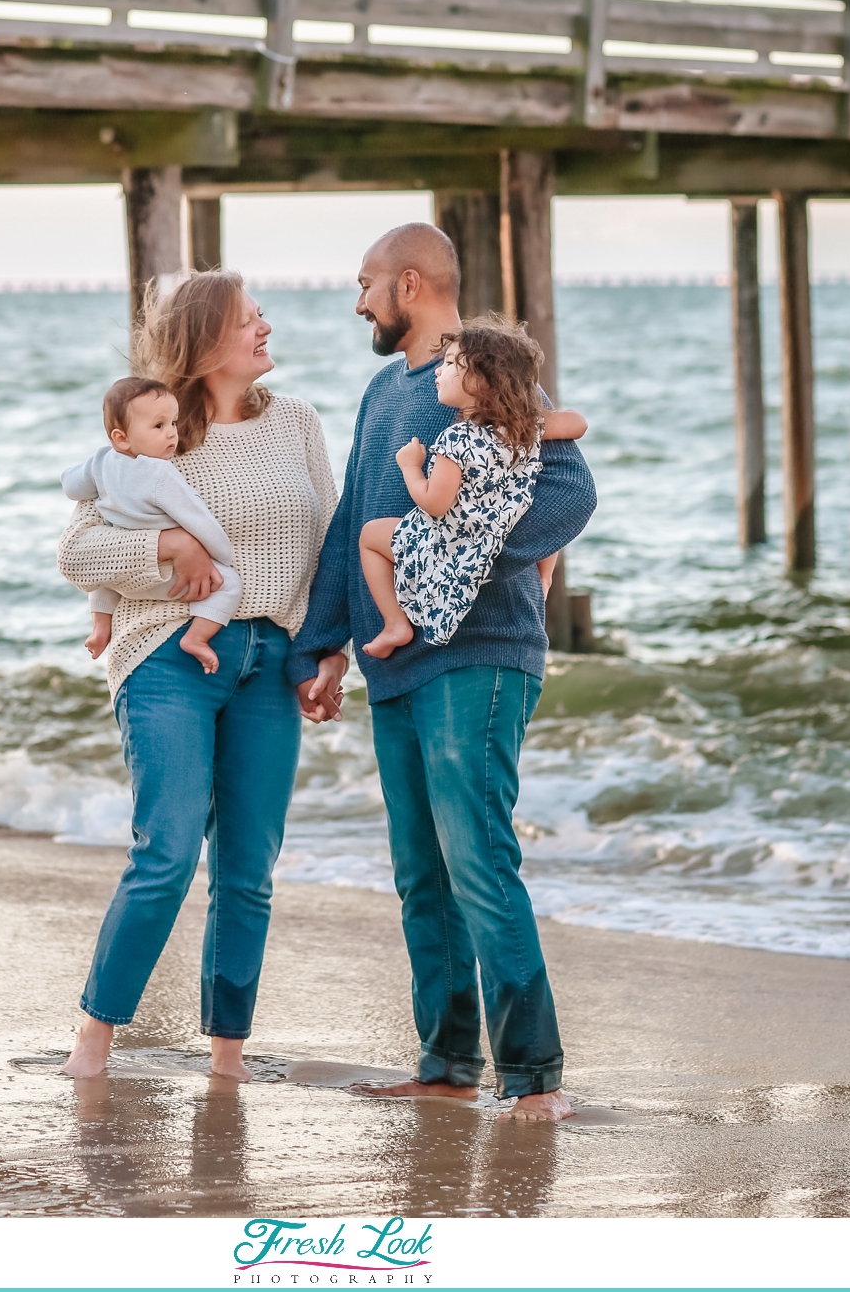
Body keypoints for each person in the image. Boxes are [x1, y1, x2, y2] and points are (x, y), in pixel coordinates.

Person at [288, 223, 597, 1122]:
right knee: (421, 871)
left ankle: (535, 1077)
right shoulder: (383, 391)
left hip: (481, 658)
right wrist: (326, 646)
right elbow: (360, 516)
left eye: (366, 285)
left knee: (479, 862)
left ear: (410, 284)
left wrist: (459, 558)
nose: (358, 304)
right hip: (396, 668)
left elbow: (570, 494)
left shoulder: (494, 379)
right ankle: (447, 1062)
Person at [57, 270, 342, 1081]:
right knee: (169, 852)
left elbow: (327, 547)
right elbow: (78, 552)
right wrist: (166, 550)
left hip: (269, 662)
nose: (267, 329)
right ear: (205, 338)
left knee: (248, 869)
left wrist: (330, 653)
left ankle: (227, 1058)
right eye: (251, 320)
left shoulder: (298, 424)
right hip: (166, 657)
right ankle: (94, 1041)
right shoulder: (153, 427)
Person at [359, 317, 587, 658]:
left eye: (450, 363)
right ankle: (545, 577)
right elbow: (579, 424)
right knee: (530, 494)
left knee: (370, 537)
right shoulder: (522, 430)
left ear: (481, 380)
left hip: (451, 547)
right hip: (499, 532)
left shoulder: (456, 440)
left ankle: (395, 624)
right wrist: (538, 418)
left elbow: (435, 504)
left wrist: (410, 467)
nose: (439, 370)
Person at [62, 374, 243, 672]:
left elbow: (71, 486)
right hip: (166, 574)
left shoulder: (100, 462)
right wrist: (221, 555)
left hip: (126, 571)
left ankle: (100, 629)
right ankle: (196, 639)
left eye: (173, 423)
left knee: (102, 581)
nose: (172, 434)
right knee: (229, 583)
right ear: (121, 437)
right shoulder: (161, 473)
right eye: (159, 426)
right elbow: (196, 517)